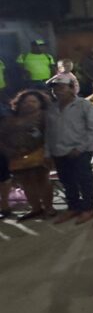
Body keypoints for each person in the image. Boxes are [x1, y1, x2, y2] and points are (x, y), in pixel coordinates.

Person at [45, 73, 93, 224]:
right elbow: (49, 132)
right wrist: (47, 152)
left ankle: (88, 208)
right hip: (58, 150)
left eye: (61, 87)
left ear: (71, 88)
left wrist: (80, 148)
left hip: (79, 151)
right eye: (54, 89)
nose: (57, 91)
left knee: (84, 180)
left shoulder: (84, 105)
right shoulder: (52, 108)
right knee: (66, 180)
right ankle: (73, 207)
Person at [0, 90, 55, 220]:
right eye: (25, 102)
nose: (29, 104)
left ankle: (49, 208)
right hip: (15, 155)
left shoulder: (45, 116)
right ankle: (36, 208)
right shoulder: (10, 118)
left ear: (40, 103)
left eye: (33, 101)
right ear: (19, 103)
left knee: (42, 180)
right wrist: (9, 150)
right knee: (26, 182)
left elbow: (50, 135)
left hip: (39, 153)